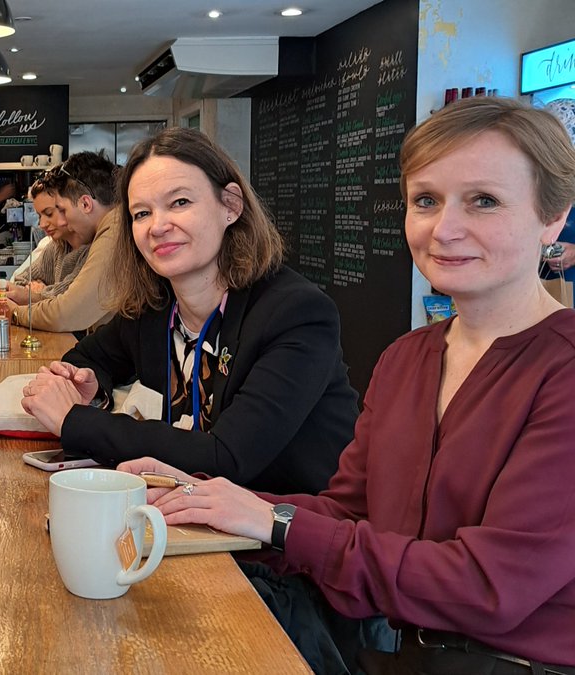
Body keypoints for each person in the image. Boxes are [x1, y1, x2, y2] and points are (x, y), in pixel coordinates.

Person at [120, 97, 575, 673]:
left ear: (552, 217)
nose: (445, 228)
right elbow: (349, 515)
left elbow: (489, 588)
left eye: (483, 201)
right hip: (405, 656)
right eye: (426, 201)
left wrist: (273, 522)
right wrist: (206, 498)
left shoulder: (562, 368)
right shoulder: (407, 357)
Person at [22, 129, 355, 496]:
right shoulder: (154, 307)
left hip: (278, 537)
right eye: (142, 213)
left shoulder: (296, 314)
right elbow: (88, 357)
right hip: (185, 519)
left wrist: (77, 420)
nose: (158, 226)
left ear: (230, 205)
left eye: (179, 202)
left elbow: (226, 457)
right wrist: (89, 385)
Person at [0, 151, 121, 334]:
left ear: (85, 204)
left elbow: (67, 313)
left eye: (61, 209)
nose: (63, 221)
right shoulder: (112, 229)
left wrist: (14, 313)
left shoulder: (114, 236)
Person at [0, 180, 90, 305]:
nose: (42, 224)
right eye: (39, 216)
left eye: (49, 213)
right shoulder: (57, 245)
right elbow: (19, 280)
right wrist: (38, 294)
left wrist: (36, 294)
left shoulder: (93, 250)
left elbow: (66, 299)